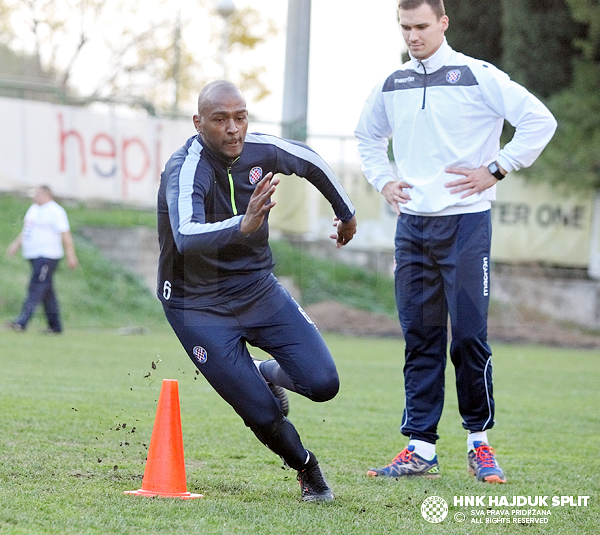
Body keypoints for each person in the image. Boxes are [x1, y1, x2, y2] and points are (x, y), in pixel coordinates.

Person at [354, 0, 557, 483]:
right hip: (413, 230)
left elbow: (539, 121)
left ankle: (479, 443)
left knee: (468, 337)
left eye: (422, 26)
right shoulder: (392, 83)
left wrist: (497, 168)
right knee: (420, 338)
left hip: (466, 225)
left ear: (444, 23)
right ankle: (420, 447)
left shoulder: (478, 74)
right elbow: (366, 137)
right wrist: (383, 180)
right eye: (406, 28)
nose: (413, 36)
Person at [157, 80, 358, 502]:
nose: (233, 129)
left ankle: (264, 371)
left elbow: (311, 160)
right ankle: (307, 469)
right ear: (198, 123)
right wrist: (241, 225)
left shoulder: (260, 149)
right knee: (262, 412)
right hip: (197, 306)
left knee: (323, 383)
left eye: (241, 117)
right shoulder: (186, 167)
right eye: (220, 119)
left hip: (256, 289)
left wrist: (347, 215)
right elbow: (186, 234)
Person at [6, 185, 79, 334]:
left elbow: (65, 234)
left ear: (47, 195)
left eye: (38, 194)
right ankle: (55, 327)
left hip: (47, 256)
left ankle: (22, 322)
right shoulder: (33, 209)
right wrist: (16, 245)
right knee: (47, 292)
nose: (35, 196)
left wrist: (71, 255)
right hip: (33, 255)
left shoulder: (55, 211)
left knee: (36, 287)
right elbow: (27, 230)